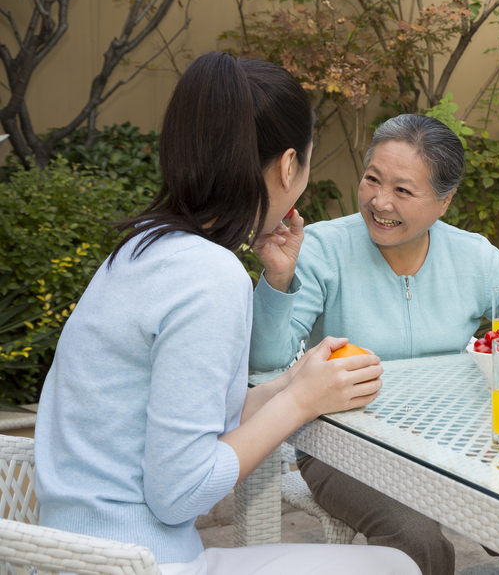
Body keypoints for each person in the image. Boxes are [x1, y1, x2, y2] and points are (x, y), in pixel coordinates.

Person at [33, 52, 420, 575]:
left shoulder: (140, 249)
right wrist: (300, 404)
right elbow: (180, 493)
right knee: (393, 567)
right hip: (139, 563)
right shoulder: (209, 275)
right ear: (288, 165)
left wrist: (289, 384)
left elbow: (181, 414)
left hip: (66, 556)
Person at [249, 113, 499, 575]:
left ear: (444, 202)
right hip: (343, 449)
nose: (380, 201)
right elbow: (264, 360)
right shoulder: (321, 248)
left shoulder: (471, 256)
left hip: (459, 441)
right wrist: (279, 278)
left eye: (403, 190)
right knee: (415, 537)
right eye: (372, 180)